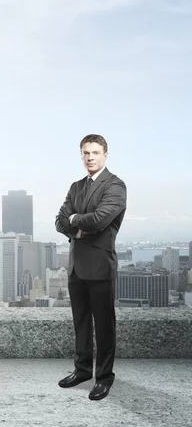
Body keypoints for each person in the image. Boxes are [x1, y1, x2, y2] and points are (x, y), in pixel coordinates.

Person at [55, 134, 127, 401]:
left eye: (95, 152)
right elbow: (60, 222)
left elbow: (99, 220)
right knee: (81, 323)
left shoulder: (115, 186)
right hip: (76, 267)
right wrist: (76, 223)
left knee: (104, 326)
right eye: (86, 153)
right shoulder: (76, 187)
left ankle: (104, 378)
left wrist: (75, 220)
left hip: (100, 266)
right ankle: (82, 370)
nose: (90, 158)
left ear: (105, 154)